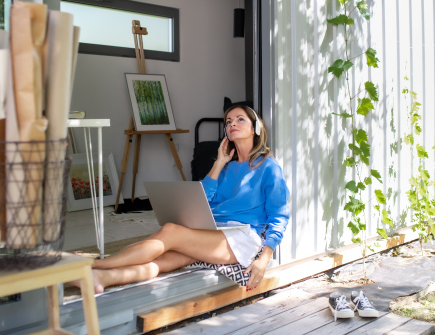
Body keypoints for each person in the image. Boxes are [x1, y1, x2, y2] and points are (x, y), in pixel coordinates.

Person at [84, 105, 290, 294]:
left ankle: (91, 266)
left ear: (255, 127)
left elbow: (279, 217)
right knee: (163, 261)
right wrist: (219, 163)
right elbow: (204, 199)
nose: (232, 123)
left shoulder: (268, 167)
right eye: (228, 121)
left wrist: (263, 260)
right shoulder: (226, 167)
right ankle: (102, 277)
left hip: (242, 237)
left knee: (170, 231)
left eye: (240, 119)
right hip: (215, 230)